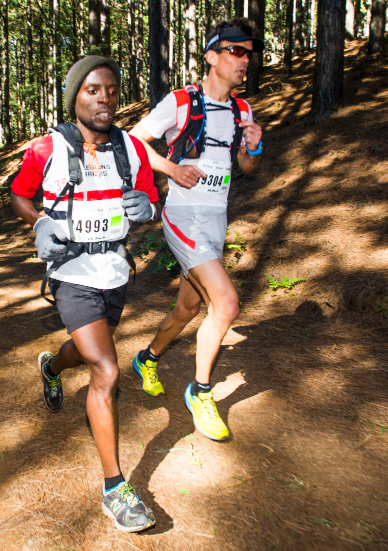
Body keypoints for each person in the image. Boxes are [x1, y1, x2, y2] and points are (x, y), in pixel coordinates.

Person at [10, 55, 159, 533]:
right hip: (71, 271)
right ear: (75, 95)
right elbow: (19, 193)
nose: (105, 99)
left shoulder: (132, 149)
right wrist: (41, 222)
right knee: (107, 368)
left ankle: (51, 367)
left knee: (85, 353)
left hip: (115, 271)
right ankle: (115, 488)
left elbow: (149, 198)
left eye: (112, 90)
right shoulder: (45, 149)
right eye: (93, 90)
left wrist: (147, 208)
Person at [128, 19, 264, 442]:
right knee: (225, 306)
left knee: (188, 309)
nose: (244, 60)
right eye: (235, 51)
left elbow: (246, 168)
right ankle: (200, 391)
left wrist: (254, 147)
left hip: (216, 220)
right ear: (211, 55)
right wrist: (171, 168)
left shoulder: (242, 110)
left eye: (248, 53)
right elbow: (135, 140)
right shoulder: (181, 101)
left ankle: (147, 358)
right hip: (183, 218)